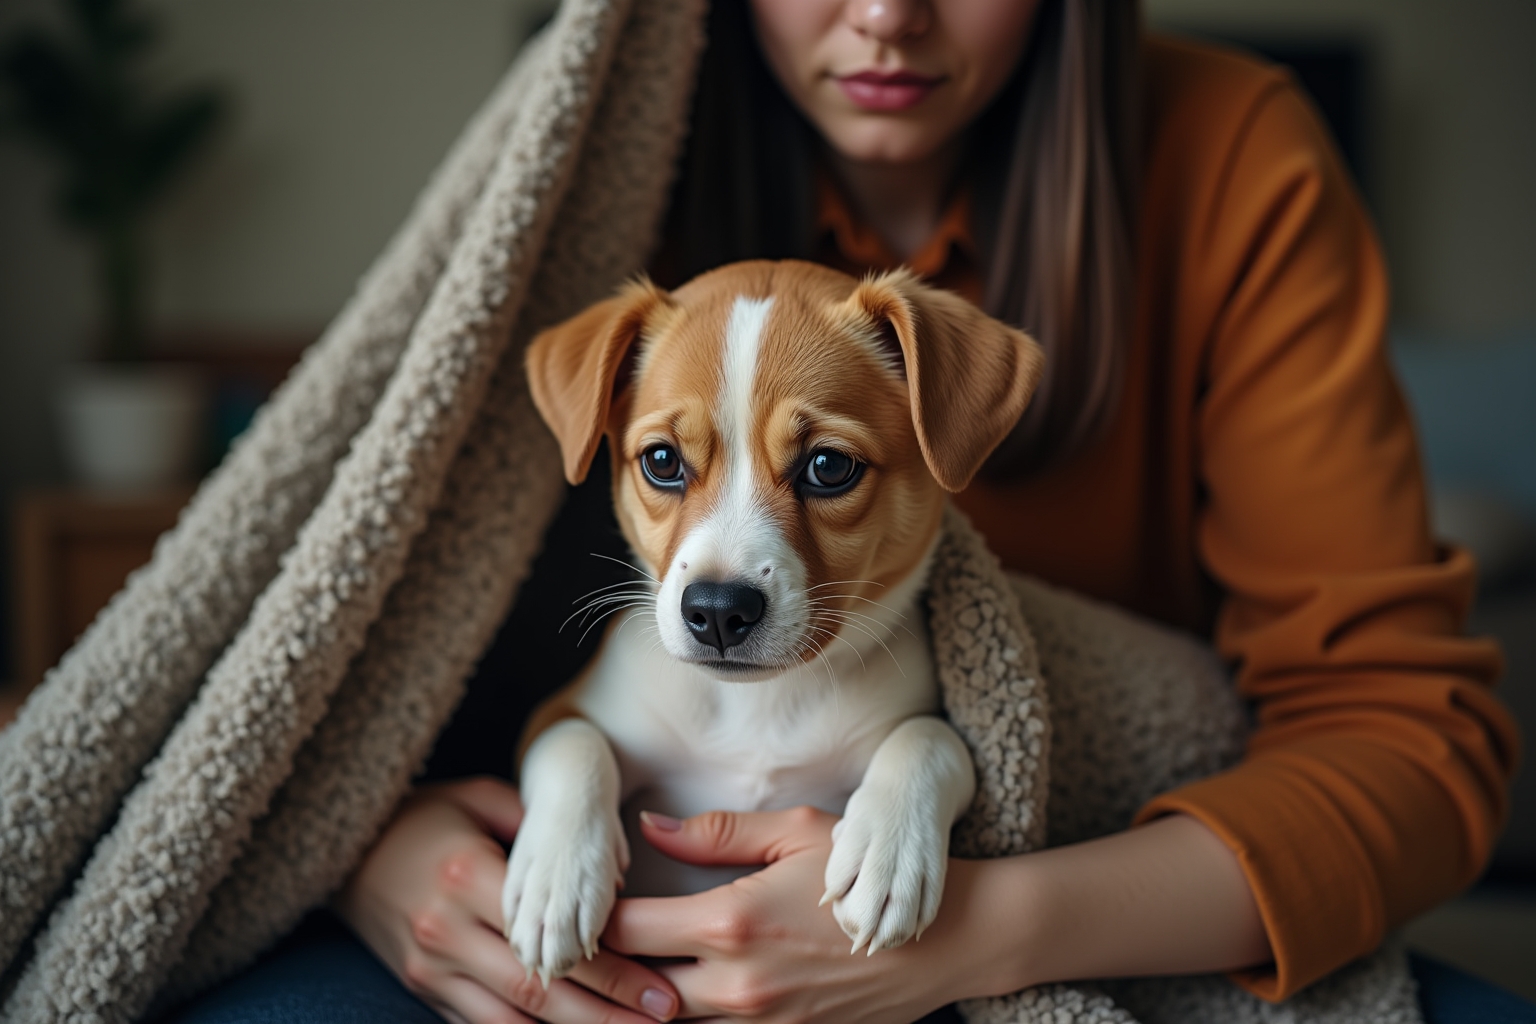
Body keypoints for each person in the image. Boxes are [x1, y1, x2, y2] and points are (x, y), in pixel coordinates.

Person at [167, 1, 1525, 1022]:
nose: (886, 12)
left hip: (1095, 905)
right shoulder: (585, 158)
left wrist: (985, 933)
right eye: (668, 468)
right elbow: (372, 646)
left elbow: (1400, 737)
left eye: (822, 471)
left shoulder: (1226, 162)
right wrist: (376, 844)